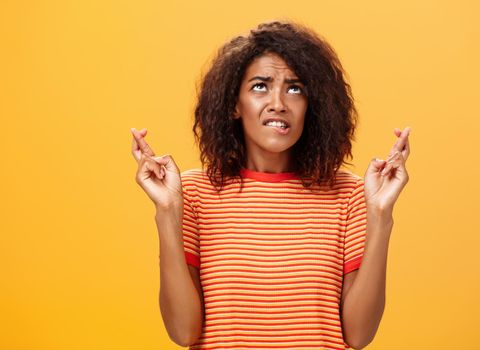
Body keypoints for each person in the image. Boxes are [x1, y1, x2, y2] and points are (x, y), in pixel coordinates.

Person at [131, 20, 410, 350]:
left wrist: (381, 215)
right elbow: (183, 332)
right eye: (260, 86)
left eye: (295, 89)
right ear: (235, 104)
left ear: (312, 105)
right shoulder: (191, 194)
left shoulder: (349, 195)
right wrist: (166, 211)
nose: (279, 103)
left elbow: (358, 335)